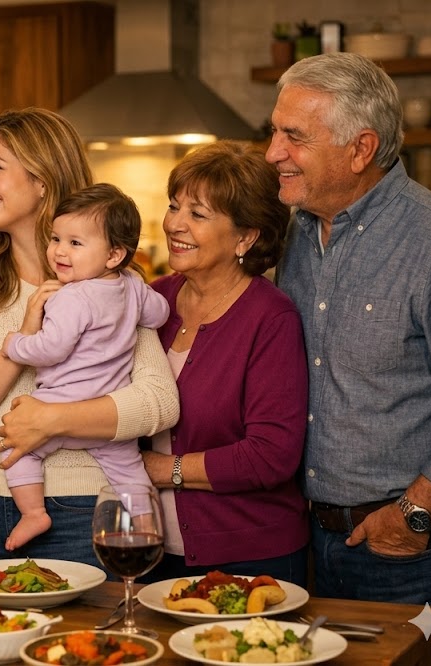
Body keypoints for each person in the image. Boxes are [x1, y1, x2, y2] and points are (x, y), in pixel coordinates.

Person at [268, 52, 431, 664]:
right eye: (273, 131)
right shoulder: (298, 231)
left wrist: (414, 515)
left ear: (361, 149)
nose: (272, 152)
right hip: (314, 546)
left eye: (293, 137)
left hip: (415, 550)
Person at [0, 108, 180, 567]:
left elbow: (158, 402)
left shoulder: (111, 282)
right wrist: (25, 333)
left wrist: (52, 420)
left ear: (42, 179)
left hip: (83, 507)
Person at [135, 141, 308, 586]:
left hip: (251, 558)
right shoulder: (152, 299)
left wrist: (164, 470)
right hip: (150, 551)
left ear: (245, 237)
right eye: (175, 206)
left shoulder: (270, 318)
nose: (175, 223)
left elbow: (271, 456)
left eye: (198, 214)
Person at [0, 184, 169, 550]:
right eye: (56, 238)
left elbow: (51, 349)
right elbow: (161, 314)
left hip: (59, 409)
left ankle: (33, 514)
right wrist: (137, 301)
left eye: (75, 243)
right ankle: (143, 527)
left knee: (15, 450)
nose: (59, 251)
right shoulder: (132, 287)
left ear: (113, 254)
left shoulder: (70, 297)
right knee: (129, 473)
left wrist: (16, 344)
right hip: (107, 418)